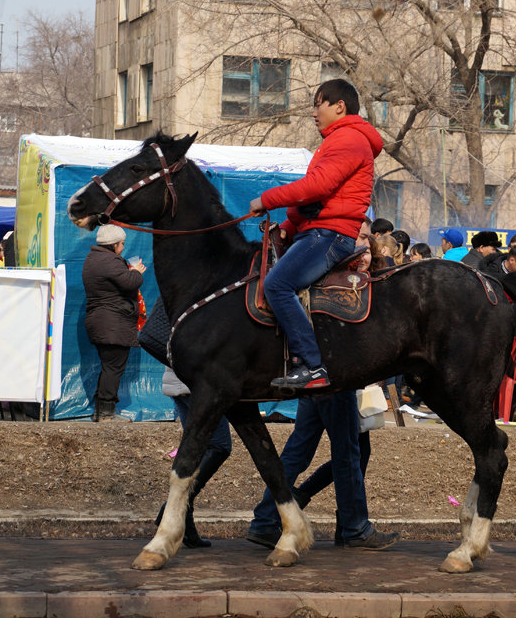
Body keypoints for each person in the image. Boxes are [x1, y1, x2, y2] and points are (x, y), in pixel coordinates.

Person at [248, 78, 382, 390]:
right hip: (319, 230)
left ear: (339, 106)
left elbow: (317, 187)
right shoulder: (338, 140)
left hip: (330, 235)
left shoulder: (349, 139)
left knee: (277, 284)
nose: (313, 112)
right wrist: (288, 227)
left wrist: (266, 199)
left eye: (318, 103)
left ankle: (311, 364)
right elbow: (315, 202)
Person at [245, 391, 398, 551]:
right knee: (347, 456)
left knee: (296, 452)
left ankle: (266, 519)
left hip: (312, 385)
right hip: (337, 385)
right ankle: (356, 529)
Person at [158, 367, 231, 548]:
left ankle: (187, 527)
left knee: (195, 447)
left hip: (179, 382)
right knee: (218, 446)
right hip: (198, 384)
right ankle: (173, 506)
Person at [81, 224, 146, 421]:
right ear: (114, 244)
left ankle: (101, 412)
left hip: (101, 322)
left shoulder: (93, 259)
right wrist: (136, 272)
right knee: (113, 368)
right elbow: (130, 283)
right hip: (112, 324)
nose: (123, 248)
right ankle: (106, 414)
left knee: (109, 366)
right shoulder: (110, 261)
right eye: (122, 244)